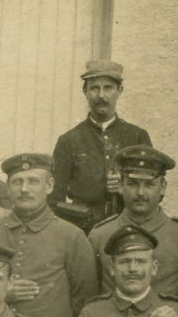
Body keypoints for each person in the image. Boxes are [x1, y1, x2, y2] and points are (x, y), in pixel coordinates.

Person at [0, 152, 99, 317]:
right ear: (8, 188)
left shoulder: (71, 236)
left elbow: (85, 302)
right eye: (17, 182)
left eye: (33, 181)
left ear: (49, 186)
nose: (24, 189)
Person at [88, 145, 178, 317]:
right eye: (133, 184)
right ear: (120, 185)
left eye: (149, 184)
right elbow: (90, 296)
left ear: (163, 187)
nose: (141, 193)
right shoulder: (99, 235)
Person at [49, 60, 152, 232]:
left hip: (129, 227)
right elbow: (53, 198)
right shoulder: (69, 140)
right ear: (85, 91)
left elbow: (153, 191)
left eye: (108, 88)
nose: (101, 95)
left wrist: (125, 186)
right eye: (94, 88)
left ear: (120, 91)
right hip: (82, 229)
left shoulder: (137, 137)